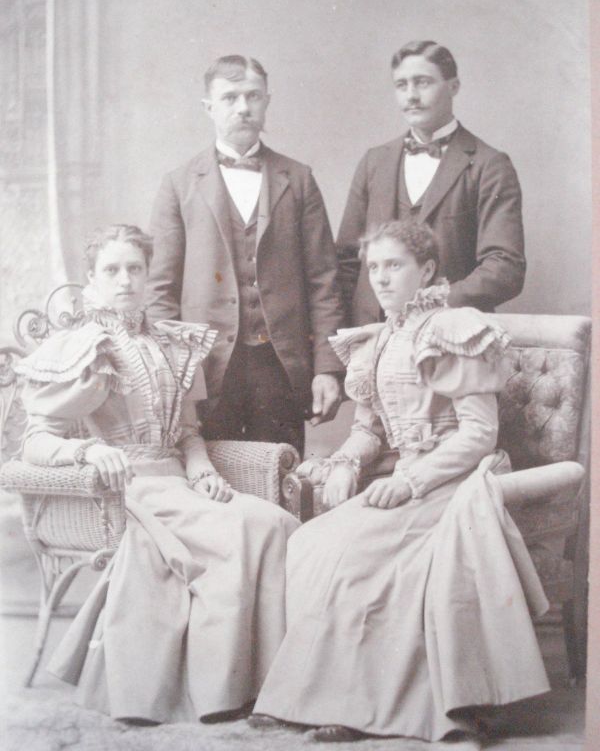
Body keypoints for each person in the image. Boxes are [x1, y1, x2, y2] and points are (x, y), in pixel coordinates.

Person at [250, 220, 549, 743]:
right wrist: (344, 461)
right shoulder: (382, 339)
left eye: (395, 266)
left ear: (427, 270)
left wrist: (412, 481)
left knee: (366, 557)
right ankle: (319, 695)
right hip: (401, 474)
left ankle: (367, 707)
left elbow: (479, 434)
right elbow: (370, 428)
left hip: (456, 479)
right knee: (314, 541)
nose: (381, 279)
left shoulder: (455, 327)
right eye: (374, 268)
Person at [16, 224, 299, 724]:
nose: (124, 280)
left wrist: (203, 470)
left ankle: (267, 682)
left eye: (134, 269)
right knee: (238, 532)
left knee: (274, 523)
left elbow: (187, 432)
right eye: (111, 270)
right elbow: (34, 442)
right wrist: (85, 451)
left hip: (179, 482)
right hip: (128, 487)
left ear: (148, 276)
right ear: (91, 280)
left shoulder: (171, 344)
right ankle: (219, 692)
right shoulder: (80, 347)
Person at [145, 55, 344, 455]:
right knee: (214, 488)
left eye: (253, 96)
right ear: (209, 108)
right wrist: (171, 373)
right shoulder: (179, 184)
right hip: (206, 370)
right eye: (230, 97)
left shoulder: (298, 179)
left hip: (280, 366)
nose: (243, 107)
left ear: (267, 101)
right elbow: (161, 289)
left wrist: (327, 368)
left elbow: (324, 281)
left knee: (281, 480)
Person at [337, 40, 526, 326]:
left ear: (454, 86)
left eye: (422, 82)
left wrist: (435, 303)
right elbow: (347, 261)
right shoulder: (374, 162)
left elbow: (505, 267)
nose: (411, 96)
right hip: (373, 338)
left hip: (452, 336)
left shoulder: (490, 165)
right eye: (402, 85)